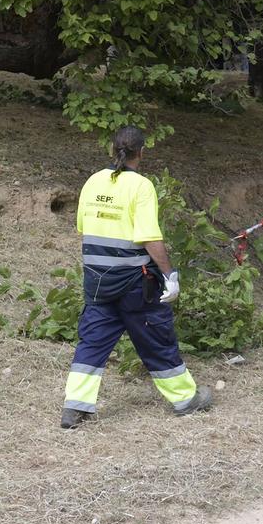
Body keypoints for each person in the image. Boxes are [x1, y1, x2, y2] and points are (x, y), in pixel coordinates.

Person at [59, 126, 213, 430]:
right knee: (157, 339)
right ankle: (185, 399)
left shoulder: (92, 182)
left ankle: (74, 407)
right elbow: (149, 238)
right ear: (141, 152)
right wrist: (170, 274)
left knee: (92, 343)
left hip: (97, 282)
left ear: (111, 149)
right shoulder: (141, 186)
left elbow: (83, 227)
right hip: (134, 284)